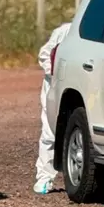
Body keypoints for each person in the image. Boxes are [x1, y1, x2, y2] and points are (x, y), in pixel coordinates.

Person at [34, 21, 72, 194]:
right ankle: (44, 178)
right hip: (54, 87)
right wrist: (56, 74)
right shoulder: (65, 31)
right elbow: (44, 54)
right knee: (50, 133)